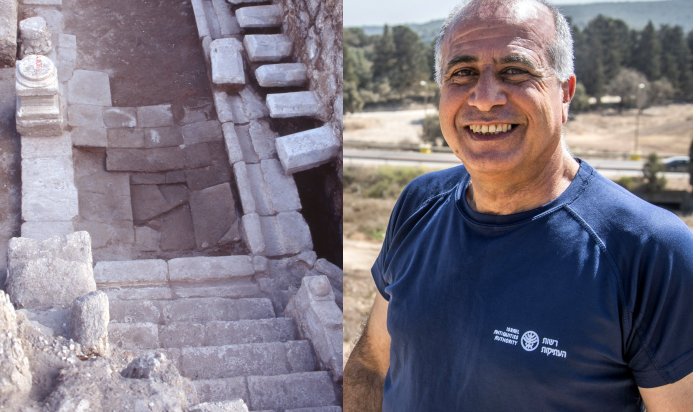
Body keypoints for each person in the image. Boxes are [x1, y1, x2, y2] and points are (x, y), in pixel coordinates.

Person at [343, 0, 693, 410]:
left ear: (565, 92)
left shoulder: (649, 250)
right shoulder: (418, 204)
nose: (486, 98)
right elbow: (371, 364)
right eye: (463, 73)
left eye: (515, 70)